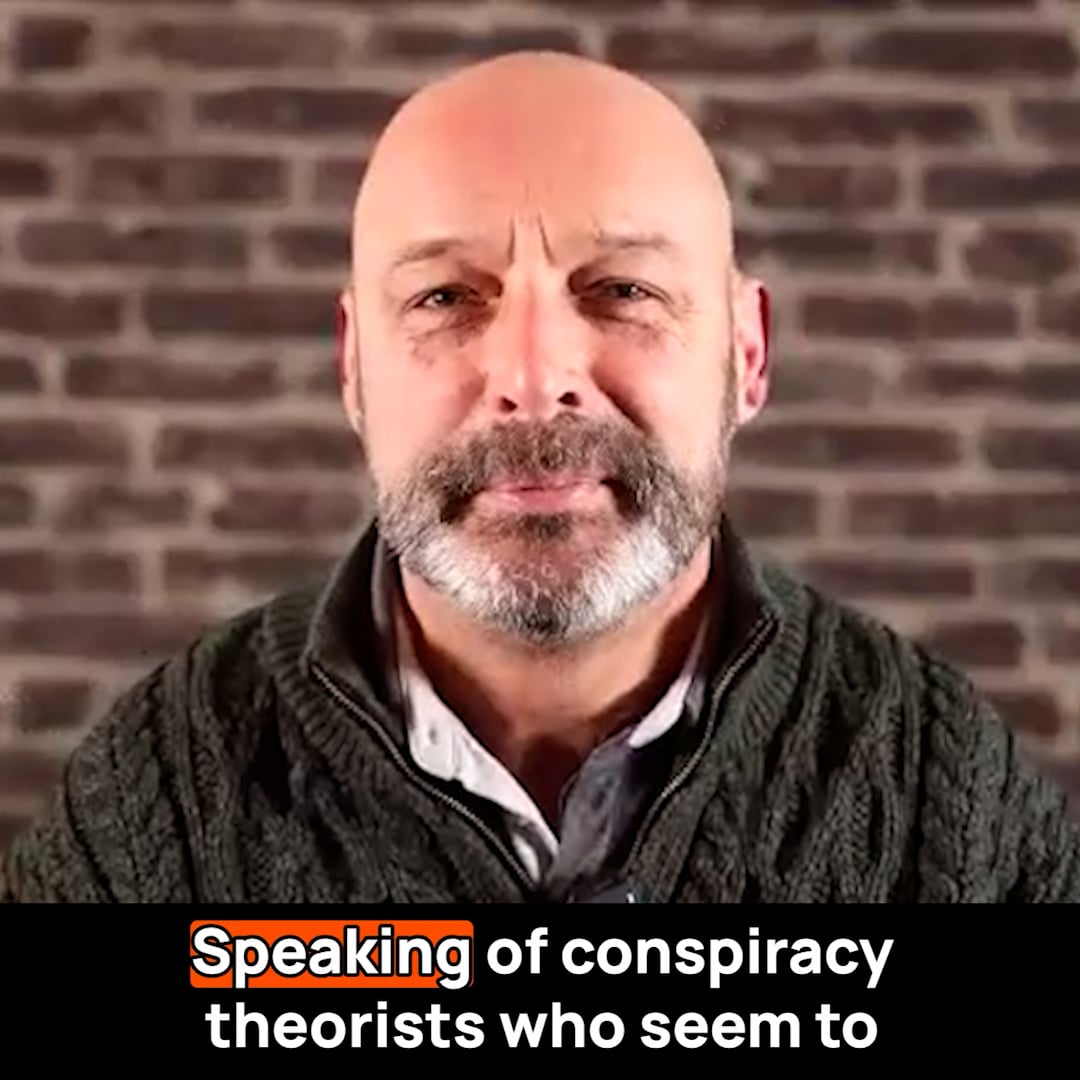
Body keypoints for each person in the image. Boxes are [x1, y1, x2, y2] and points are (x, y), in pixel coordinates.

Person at [2, 51, 1078, 904]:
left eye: (622, 291)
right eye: (444, 298)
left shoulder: (949, 804)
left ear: (747, 354)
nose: (530, 378)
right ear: (353, 366)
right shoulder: (156, 806)